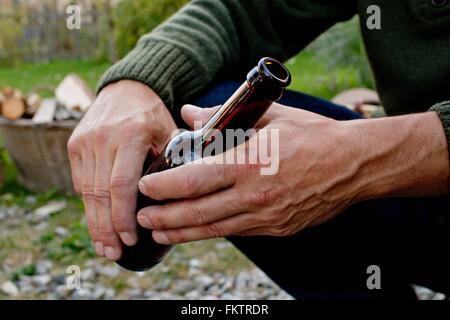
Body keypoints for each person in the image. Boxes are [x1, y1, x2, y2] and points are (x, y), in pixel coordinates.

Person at [67, 0, 450, 299]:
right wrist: (138, 81)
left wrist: (363, 158)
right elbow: (247, 10)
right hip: (418, 207)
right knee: (219, 118)